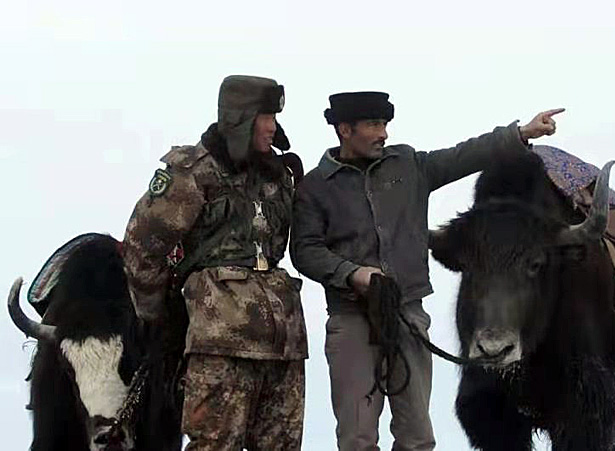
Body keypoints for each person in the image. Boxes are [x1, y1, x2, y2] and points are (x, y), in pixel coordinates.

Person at [290, 91, 562, 450]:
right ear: (344, 130)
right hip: (351, 320)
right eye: (373, 125)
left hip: (409, 316)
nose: (383, 133)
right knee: (357, 438)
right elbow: (305, 251)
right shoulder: (315, 187)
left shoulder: (408, 164)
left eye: (385, 124)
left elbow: (463, 155)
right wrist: (353, 274)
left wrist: (521, 133)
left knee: (418, 437)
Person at [122, 75, 308, 450]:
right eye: (265, 117)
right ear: (240, 118)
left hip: (284, 348)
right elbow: (142, 248)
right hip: (219, 346)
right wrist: (164, 319)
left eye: (274, 117)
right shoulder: (193, 173)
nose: (273, 127)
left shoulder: (279, 175)